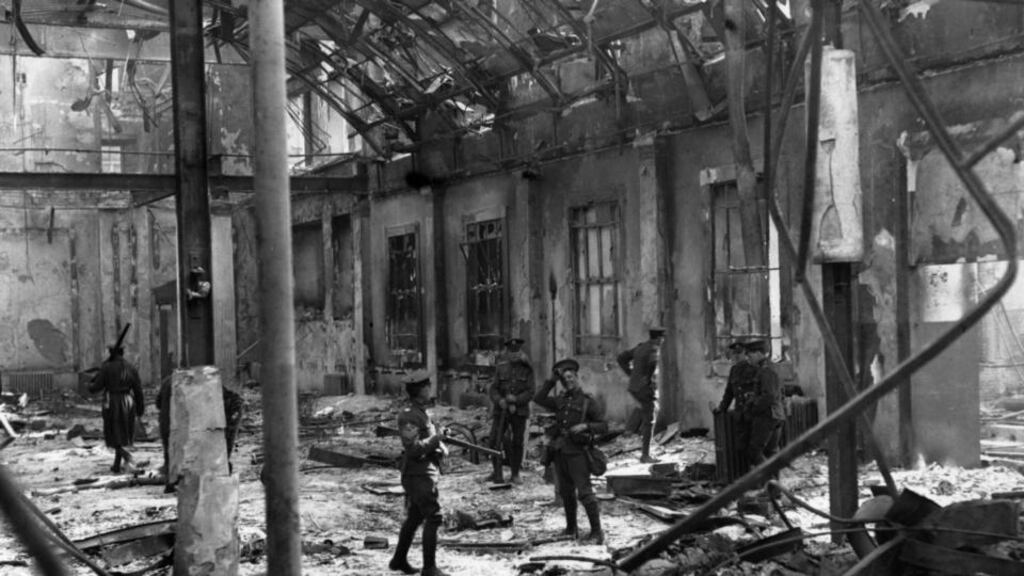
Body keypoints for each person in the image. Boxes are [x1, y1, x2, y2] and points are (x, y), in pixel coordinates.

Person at [533, 358, 608, 545]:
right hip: (560, 452)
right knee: (566, 493)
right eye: (565, 379)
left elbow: (604, 426)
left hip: (578, 453)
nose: (569, 381)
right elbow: (538, 399)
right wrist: (551, 380)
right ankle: (571, 529)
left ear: (577, 377)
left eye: (571, 377)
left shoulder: (587, 401)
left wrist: (585, 426)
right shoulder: (560, 400)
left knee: (585, 493)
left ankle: (597, 533)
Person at [389, 377, 449, 576]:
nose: (430, 388)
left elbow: (427, 440)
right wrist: (435, 439)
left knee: (415, 517)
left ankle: (398, 560)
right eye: (427, 386)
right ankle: (429, 568)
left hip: (423, 472)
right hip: (418, 474)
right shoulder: (410, 416)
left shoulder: (422, 412)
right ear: (420, 390)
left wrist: (439, 443)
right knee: (434, 516)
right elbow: (413, 449)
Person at [89, 344, 145, 474]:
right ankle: (116, 465)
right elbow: (138, 390)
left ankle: (127, 456)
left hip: (112, 401)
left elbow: (95, 387)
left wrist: (91, 383)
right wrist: (140, 408)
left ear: (111, 353)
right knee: (122, 433)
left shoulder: (106, 367)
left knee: (113, 434)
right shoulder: (131, 367)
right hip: (128, 402)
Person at [487, 337, 535, 484]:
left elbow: (531, 391)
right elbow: (493, 389)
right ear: (507, 353)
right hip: (501, 411)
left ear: (521, 352)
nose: (514, 355)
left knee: (517, 442)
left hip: (519, 412)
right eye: (511, 352)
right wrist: (500, 400)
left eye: (517, 352)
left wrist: (516, 400)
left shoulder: (527, 369)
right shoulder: (501, 367)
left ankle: (515, 473)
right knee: (494, 441)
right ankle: (497, 472)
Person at [616, 327, 666, 463]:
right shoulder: (653, 350)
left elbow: (621, 358)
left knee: (645, 411)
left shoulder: (640, 347)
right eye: (662, 338)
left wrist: (631, 374)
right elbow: (650, 370)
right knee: (650, 419)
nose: (663, 341)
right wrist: (648, 386)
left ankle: (634, 434)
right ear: (659, 338)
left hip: (635, 387)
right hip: (645, 389)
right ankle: (645, 455)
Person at [743, 340, 785, 473]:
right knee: (771, 453)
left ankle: (770, 482)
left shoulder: (765, 370)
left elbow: (769, 396)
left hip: (767, 415)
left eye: (750, 354)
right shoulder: (770, 368)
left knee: (754, 452)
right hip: (776, 414)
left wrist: (753, 406)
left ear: (759, 353)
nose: (747, 357)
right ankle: (774, 491)